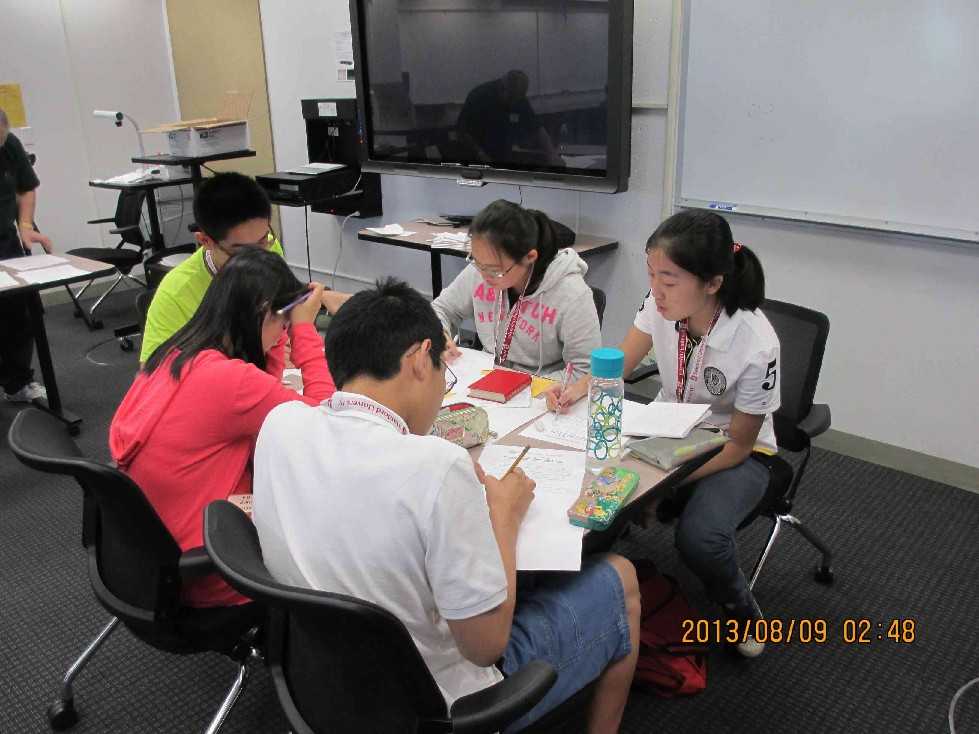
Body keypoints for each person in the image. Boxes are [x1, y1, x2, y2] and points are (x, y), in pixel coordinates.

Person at [253, 278, 640, 733]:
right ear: (421, 359)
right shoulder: (438, 466)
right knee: (622, 576)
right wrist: (504, 515)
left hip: (324, 682)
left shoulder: (280, 424)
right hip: (435, 707)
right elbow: (485, 646)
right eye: (443, 370)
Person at [547, 210, 780, 657]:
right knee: (591, 488)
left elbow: (739, 444)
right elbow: (621, 360)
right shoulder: (659, 305)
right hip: (669, 430)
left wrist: (663, 482)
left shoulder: (756, 342)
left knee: (700, 539)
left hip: (737, 451)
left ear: (712, 283)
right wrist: (575, 389)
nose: (656, 290)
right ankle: (585, 596)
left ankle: (740, 605)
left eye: (669, 280)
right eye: (651, 274)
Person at [110, 248, 336, 612]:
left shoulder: (175, 353)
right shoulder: (231, 382)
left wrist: (276, 329)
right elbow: (325, 421)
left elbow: (259, 391)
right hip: (220, 569)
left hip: (155, 555)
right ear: (263, 312)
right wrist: (305, 329)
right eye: (282, 324)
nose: (283, 334)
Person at [139, 172, 349, 363]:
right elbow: (153, 374)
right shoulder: (176, 294)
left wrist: (321, 296)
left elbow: (277, 303)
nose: (259, 259)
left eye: (263, 240)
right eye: (242, 252)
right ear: (205, 241)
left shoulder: (268, 249)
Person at [433, 199, 601, 379]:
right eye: (476, 261)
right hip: (487, 375)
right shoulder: (481, 269)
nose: (483, 275)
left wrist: (529, 385)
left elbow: (585, 370)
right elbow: (442, 309)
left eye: (495, 270)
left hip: (543, 387)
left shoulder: (572, 294)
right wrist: (439, 335)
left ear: (529, 257)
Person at [0, 107, 52, 403]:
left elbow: (26, 188)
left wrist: (26, 226)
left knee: (20, 312)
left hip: (6, 241)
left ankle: (18, 382)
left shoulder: (9, 144)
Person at [457, 70, 563, 166]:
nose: (513, 104)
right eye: (510, 99)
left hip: (502, 155)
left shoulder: (519, 100)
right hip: (475, 158)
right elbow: (462, 131)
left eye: (516, 101)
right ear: (502, 88)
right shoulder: (479, 96)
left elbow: (536, 127)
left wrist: (552, 154)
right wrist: (480, 153)